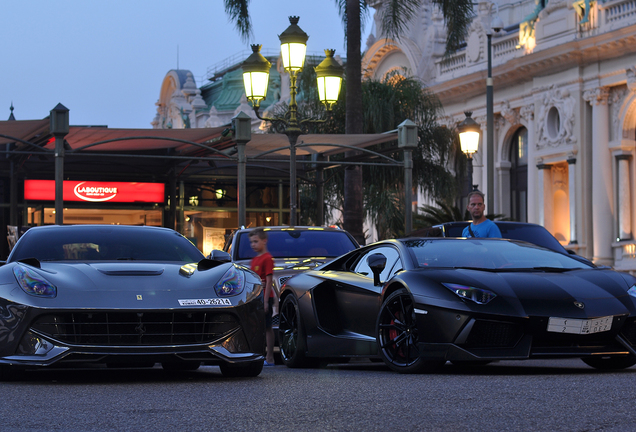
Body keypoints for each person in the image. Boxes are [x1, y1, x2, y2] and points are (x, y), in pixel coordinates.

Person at [249, 227, 276, 366]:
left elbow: (269, 279)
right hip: (256, 297)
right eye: (251, 242)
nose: (253, 244)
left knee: (267, 326)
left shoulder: (267, 258)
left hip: (265, 297)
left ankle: (270, 357)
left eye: (255, 241)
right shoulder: (254, 260)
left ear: (264, 241)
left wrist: (266, 301)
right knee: (257, 327)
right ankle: (258, 355)